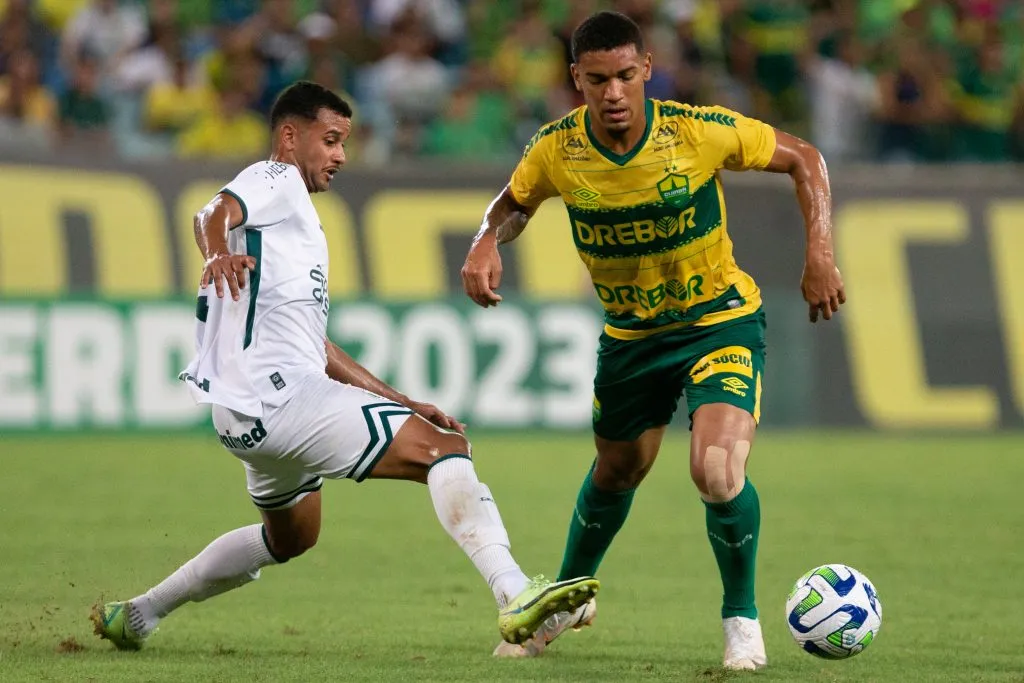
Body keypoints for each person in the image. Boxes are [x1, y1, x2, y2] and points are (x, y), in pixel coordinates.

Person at [90, 80, 598, 651]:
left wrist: (403, 402)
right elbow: (212, 212)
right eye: (330, 140)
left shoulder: (289, 223)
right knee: (444, 449)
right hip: (282, 397)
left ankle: (139, 613)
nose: (341, 155)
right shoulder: (276, 178)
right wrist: (216, 252)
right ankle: (514, 594)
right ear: (290, 137)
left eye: (344, 143)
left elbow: (320, 348)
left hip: (242, 417)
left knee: (291, 538)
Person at [461, 12, 844, 669]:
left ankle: (742, 619)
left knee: (716, 470)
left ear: (646, 68)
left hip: (718, 321)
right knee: (617, 471)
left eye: (625, 75)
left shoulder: (696, 130)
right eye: (597, 80)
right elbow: (513, 201)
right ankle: (567, 597)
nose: (613, 93)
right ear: (576, 79)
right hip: (633, 336)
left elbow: (804, 157)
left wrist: (821, 251)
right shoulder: (556, 148)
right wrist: (485, 241)